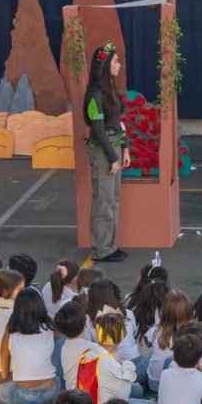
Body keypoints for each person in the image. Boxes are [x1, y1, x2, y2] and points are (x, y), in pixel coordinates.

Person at [84, 40, 129, 263]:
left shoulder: (110, 90)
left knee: (113, 200)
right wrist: (113, 157)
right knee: (103, 201)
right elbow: (99, 131)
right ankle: (100, 249)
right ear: (105, 65)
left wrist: (125, 148)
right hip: (104, 151)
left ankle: (110, 245)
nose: (119, 65)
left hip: (115, 148)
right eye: (116, 61)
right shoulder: (95, 95)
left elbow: (118, 122)